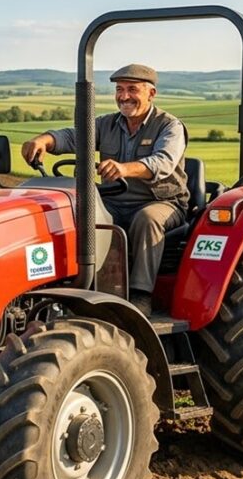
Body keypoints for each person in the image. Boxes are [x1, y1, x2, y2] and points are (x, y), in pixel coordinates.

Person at [21, 63, 188, 315]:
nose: (124, 96)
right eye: (119, 89)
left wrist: (124, 169)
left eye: (132, 89)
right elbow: (73, 137)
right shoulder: (107, 124)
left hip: (161, 201)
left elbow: (162, 162)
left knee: (147, 219)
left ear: (151, 93)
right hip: (114, 199)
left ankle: (141, 295)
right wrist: (44, 140)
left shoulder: (169, 126)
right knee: (78, 213)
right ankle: (81, 285)